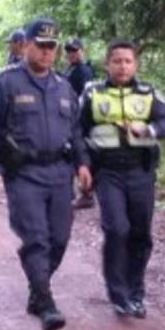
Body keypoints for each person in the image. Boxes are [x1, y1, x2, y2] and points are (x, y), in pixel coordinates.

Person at [0, 17, 92, 330]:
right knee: (36, 237)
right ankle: (47, 302)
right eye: (41, 45)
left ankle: (37, 291)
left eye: (52, 46)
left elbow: (75, 131)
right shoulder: (5, 83)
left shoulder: (64, 87)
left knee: (60, 239)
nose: (47, 52)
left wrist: (82, 164)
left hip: (59, 173)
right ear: (26, 45)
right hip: (23, 173)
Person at [79, 39, 165, 318]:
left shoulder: (148, 93)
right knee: (116, 229)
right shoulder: (92, 93)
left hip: (140, 171)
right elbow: (77, 130)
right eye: (117, 61)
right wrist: (82, 164)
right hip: (107, 171)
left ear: (135, 65)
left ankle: (136, 293)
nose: (122, 66)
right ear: (107, 64)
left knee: (140, 233)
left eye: (128, 61)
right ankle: (118, 295)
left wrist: (147, 129)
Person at [64, 38, 98, 209]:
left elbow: (86, 96)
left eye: (74, 50)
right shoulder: (70, 69)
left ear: (82, 51)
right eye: (69, 51)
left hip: (80, 118)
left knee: (79, 154)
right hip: (70, 116)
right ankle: (77, 192)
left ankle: (86, 193)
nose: (71, 54)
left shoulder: (84, 71)